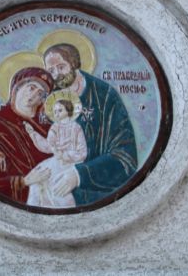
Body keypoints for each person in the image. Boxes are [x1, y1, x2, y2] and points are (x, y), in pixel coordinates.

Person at [41, 43, 138, 206]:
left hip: (96, 193)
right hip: (54, 181)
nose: (57, 75)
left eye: (61, 67)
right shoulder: (49, 97)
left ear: (74, 63)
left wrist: (80, 175)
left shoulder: (104, 96)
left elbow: (125, 157)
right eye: (51, 70)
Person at [0, 67, 53, 204]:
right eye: (31, 88)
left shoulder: (47, 126)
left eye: (41, 93)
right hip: (19, 199)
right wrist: (24, 181)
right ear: (17, 88)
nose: (34, 95)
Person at [23, 98, 87, 208]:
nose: (57, 113)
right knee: (37, 177)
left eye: (60, 110)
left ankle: (64, 211)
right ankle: (34, 208)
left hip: (71, 164)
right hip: (56, 161)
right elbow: (48, 146)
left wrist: (65, 155)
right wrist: (32, 133)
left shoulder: (76, 128)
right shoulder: (55, 127)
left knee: (58, 185)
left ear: (68, 110)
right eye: (55, 111)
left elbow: (82, 152)